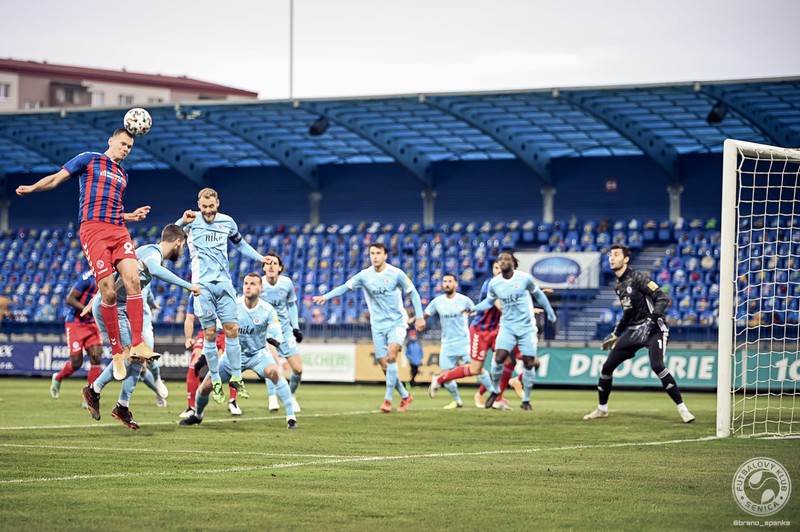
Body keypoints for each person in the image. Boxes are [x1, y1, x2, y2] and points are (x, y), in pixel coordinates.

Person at [16, 128, 156, 380]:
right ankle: (116, 353)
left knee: (133, 279)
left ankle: (137, 344)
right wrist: (33, 187)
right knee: (109, 292)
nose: (126, 149)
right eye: (123, 144)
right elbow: (57, 178)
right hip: (93, 230)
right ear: (111, 141)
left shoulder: (123, 175)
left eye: (130, 147)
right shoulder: (89, 158)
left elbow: (112, 207)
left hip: (118, 230)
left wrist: (130, 216)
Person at [81, 224, 201, 429]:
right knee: (132, 356)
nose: (182, 252)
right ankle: (94, 390)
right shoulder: (152, 254)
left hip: (116, 308)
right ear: (179, 242)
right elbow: (154, 268)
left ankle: (122, 406)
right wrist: (188, 285)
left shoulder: (149, 250)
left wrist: (181, 220)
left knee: (137, 357)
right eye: (183, 246)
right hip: (110, 308)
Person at [583, 244, 695, 423]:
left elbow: (662, 298)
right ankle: (602, 410)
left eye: (616, 255)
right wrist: (616, 334)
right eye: (610, 255)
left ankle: (683, 410)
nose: (611, 258)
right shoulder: (619, 285)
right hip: (634, 331)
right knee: (606, 367)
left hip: (654, 329)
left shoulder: (639, 278)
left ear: (625, 259)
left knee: (657, 366)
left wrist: (650, 321)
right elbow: (627, 313)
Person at [176, 188, 268, 405]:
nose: (208, 211)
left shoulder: (228, 222)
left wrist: (259, 257)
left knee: (232, 330)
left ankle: (236, 377)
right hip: (202, 286)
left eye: (211, 206)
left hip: (224, 283)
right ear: (198, 204)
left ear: (218, 202)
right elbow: (169, 236)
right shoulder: (190, 222)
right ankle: (216, 380)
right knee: (209, 333)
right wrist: (181, 221)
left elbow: (240, 244)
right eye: (204, 207)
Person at [313, 243, 425, 412]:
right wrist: (325, 297)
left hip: (397, 322)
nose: (375, 256)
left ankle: (387, 400)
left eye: (378, 253)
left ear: (385, 255)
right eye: (372, 253)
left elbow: (413, 292)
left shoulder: (396, 274)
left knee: (391, 355)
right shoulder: (364, 275)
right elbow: (345, 287)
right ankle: (405, 395)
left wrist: (420, 316)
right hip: (377, 325)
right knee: (384, 365)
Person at [180, 273, 297, 429]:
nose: (248, 286)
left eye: (253, 284)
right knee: (206, 386)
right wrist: (203, 355)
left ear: (261, 288)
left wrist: (274, 340)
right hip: (232, 356)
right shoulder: (232, 306)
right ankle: (198, 415)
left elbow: (276, 333)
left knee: (275, 373)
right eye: (246, 283)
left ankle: (291, 417)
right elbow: (213, 331)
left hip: (258, 355)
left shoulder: (268, 310)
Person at [471, 251, 557, 411]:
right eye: (499, 260)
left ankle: (526, 399)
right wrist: (473, 308)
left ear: (513, 263)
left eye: (506, 259)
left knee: (530, 362)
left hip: (526, 328)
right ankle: (495, 390)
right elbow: (489, 302)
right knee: (499, 358)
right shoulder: (494, 284)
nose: (502, 262)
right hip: (507, 327)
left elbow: (537, 294)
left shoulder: (524, 279)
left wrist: (550, 312)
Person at [424, 274, 485, 409]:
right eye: (445, 281)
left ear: (456, 284)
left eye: (450, 281)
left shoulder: (464, 300)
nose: (447, 284)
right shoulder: (437, 301)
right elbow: (426, 314)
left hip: (464, 342)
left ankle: (492, 395)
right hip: (447, 344)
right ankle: (457, 400)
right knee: (446, 374)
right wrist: (418, 321)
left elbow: (477, 313)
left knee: (478, 369)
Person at [49, 271, 104, 402]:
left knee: (96, 358)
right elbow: (70, 299)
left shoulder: (112, 278)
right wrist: (87, 309)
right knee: (76, 363)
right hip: (76, 323)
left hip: (92, 324)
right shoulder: (88, 278)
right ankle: (58, 378)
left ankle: (90, 398)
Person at [260, 253, 304, 413]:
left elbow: (292, 305)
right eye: (268, 263)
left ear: (280, 268)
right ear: (263, 267)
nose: (271, 266)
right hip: (267, 332)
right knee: (273, 364)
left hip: (285, 331)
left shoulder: (286, 284)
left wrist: (296, 327)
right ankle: (272, 398)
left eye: (275, 263)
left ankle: (290, 396)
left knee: (298, 369)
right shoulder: (259, 285)